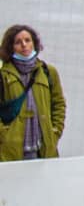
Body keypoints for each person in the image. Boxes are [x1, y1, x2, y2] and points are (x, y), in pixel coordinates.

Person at [0, 25, 66, 162]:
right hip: (10, 151)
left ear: (34, 43)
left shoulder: (48, 72)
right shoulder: (3, 75)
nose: (24, 45)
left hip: (43, 149)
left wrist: (54, 132)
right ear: (10, 47)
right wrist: (4, 136)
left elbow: (58, 104)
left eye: (27, 40)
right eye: (18, 42)